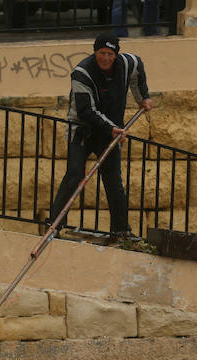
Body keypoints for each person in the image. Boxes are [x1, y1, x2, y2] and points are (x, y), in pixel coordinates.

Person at [47, 33, 153, 240]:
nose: (105, 58)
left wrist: (143, 97)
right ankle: (54, 225)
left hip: (110, 132)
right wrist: (112, 128)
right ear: (95, 52)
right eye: (101, 53)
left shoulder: (127, 62)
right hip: (82, 130)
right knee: (74, 175)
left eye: (110, 54)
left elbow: (137, 69)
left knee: (113, 180)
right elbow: (86, 110)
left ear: (116, 54)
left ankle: (121, 230)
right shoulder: (81, 73)